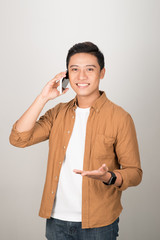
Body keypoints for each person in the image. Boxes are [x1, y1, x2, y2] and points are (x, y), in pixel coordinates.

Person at [9, 41, 142, 240]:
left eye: (90, 69)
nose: (81, 77)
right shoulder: (57, 114)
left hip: (100, 223)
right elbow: (18, 138)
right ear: (66, 74)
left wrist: (109, 177)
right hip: (56, 222)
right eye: (74, 69)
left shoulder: (120, 118)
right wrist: (43, 97)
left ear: (102, 73)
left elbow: (134, 172)